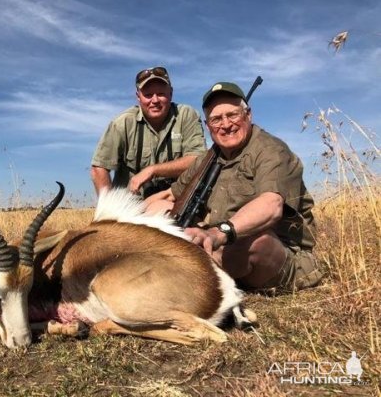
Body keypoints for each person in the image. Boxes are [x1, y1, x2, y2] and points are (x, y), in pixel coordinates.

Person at [146, 81, 324, 293]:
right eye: (216, 119)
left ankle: (188, 275)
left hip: (276, 253)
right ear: (207, 125)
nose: (226, 124)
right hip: (220, 245)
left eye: (232, 115)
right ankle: (195, 269)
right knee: (157, 210)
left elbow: (271, 205)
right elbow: (170, 196)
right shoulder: (207, 159)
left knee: (255, 241)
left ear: (248, 115)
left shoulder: (271, 150)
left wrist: (217, 234)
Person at [90, 67, 206, 198]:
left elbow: (198, 160)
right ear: (138, 96)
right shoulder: (122, 123)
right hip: (131, 207)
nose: (155, 100)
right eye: (148, 95)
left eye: (161, 93)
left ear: (171, 93)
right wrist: (109, 207)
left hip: (174, 200)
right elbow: (99, 168)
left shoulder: (186, 115)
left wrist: (152, 170)